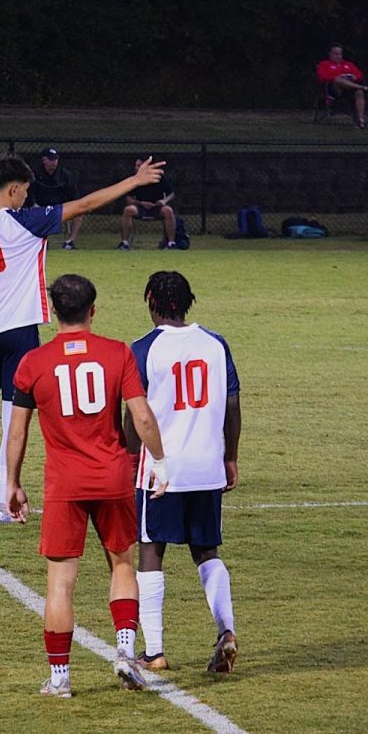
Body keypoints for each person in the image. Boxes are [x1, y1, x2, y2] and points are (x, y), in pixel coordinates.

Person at [0, 153, 166, 523]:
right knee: (15, 420)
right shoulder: (28, 222)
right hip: (20, 334)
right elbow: (85, 204)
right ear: (13, 189)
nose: (27, 199)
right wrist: (134, 181)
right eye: (25, 191)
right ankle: (3, 502)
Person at [4, 273, 169, 698]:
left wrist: (13, 482)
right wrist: (161, 462)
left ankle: (60, 679)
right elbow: (143, 416)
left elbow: (17, 431)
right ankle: (126, 652)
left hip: (65, 485)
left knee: (60, 582)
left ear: (53, 312)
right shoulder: (117, 353)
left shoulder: (33, 363)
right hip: (113, 476)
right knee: (122, 565)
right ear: (92, 310)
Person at [124, 271, 241, 674]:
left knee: (151, 550)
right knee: (206, 552)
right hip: (207, 466)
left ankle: (154, 651)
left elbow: (135, 413)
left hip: (162, 471)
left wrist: (129, 454)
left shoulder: (143, 348)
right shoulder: (215, 343)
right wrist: (231, 457)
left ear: (151, 300)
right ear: (188, 301)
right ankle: (226, 630)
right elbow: (232, 404)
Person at [316, 43, 368, 130]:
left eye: (340, 54)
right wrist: (339, 77)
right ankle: (365, 88)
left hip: (350, 90)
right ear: (330, 54)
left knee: (359, 92)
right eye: (336, 54)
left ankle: (360, 121)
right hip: (334, 90)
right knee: (338, 80)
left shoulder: (349, 64)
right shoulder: (324, 64)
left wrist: (354, 76)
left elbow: (359, 75)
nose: (338, 56)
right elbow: (323, 77)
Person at [29, 148, 82, 249]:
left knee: (79, 214)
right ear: (44, 160)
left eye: (55, 159)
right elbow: (29, 193)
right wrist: (34, 204)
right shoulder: (35, 174)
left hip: (60, 207)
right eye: (51, 160)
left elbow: (73, 195)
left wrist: (71, 206)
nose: (54, 162)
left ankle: (69, 242)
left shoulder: (65, 174)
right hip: (41, 207)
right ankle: (40, 241)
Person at [117, 159, 176, 250]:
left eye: (138, 166)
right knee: (128, 210)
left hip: (157, 207)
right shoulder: (134, 180)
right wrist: (141, 203)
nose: (136, 168)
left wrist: (163, 201)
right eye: (136, 166)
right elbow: (129, 199)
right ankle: (125, 243)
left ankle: (171, 243)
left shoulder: (159, 177)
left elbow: (171, 194)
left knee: (168, 211)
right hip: (140, 207)